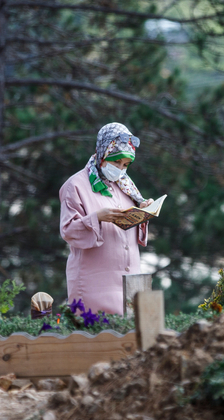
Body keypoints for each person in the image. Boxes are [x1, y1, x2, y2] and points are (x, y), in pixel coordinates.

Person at [59, 122, 155, 315]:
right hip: (94, 284)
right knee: (94, 339)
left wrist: (143, 212)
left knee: (131, 341)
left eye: (125, 165)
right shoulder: (75, 185)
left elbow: (129, 229)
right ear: (102, 154)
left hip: (130, 282)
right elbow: (68, 230)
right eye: (116, 162)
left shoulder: (127, 186)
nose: (120, 169)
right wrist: (96, 218)